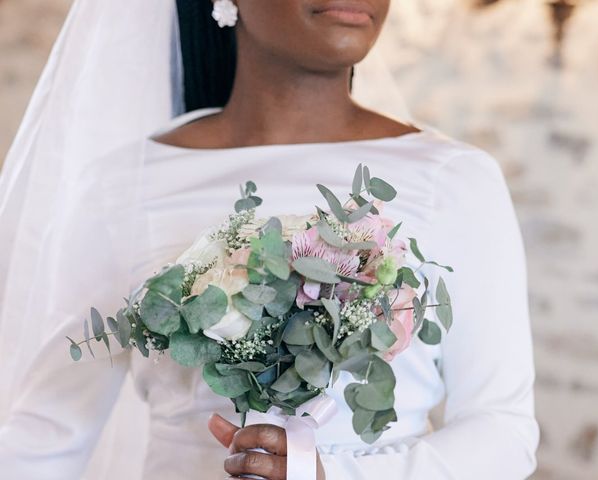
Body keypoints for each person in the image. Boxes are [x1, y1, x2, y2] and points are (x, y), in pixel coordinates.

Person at [0, 0, 539, 479]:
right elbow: (48, 429)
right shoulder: (127, 184)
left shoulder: (455, 178)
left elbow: (503, 431)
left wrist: (328, 473)